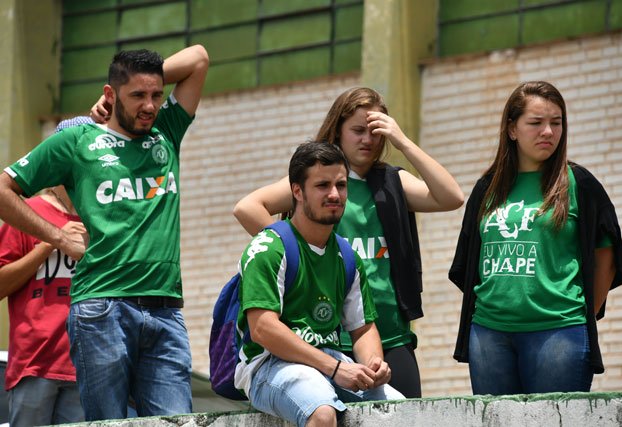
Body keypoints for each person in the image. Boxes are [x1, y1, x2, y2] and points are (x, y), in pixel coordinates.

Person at [0, 45, 209, 420]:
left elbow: (198, 58)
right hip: (102, 309)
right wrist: (59, 237)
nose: (149, 105)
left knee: (178, 421)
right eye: (137, 95)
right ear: (112, 95)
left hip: (165, 311)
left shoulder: (166, 130)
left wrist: (133, 85)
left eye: (156, 95)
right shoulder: (77, 142)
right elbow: (3, 190)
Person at [233, 87, 464, 398]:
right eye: (357, 130)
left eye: (375, 132)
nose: (367, 139)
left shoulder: (392, 182)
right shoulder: (321, 182)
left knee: (406, 415)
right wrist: (301, 252)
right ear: (337, 131)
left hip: (388, 335)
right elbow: (247, 208)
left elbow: (452, 197)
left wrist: (403, 141)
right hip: (326, 336)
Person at [448, 81, 622, 395]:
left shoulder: (580, 183)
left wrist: (580, 313)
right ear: (512, 129)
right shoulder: (487, 187)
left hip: (558, 333)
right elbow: (470, 262)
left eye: (556, 123)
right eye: (536, 123)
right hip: (488, 335)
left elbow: (607, 256)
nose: (548, 131)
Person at [235, 142, 404, 427]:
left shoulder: (346, 256)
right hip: (268, 365)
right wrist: (335, 368)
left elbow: (362, 328)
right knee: (322, 414)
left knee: (402, 415)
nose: (335, 194)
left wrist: (373, 364)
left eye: (341, 184)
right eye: (323, 185)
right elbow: (263, 328)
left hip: (328, 360)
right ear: (297, 192)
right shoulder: (269, 247)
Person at [0, 186, 85, 427]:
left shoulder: (98, 213)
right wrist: (51, 242)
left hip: (87, 365)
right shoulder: (26, 212)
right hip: (34, 363)